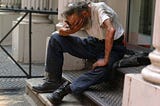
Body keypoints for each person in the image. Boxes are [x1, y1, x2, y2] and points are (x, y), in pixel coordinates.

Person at [32, 1, 126, 104]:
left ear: (85, 14)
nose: (74, 24)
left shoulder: (99, 8)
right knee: (56, 38)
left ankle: (66, 89)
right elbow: (62, 31)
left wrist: (105, 59)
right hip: (94, 43)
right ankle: (53, 81)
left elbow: (111, 30)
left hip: (114, 47)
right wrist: (71, 30)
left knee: (103, 70)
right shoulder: (74, 13)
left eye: (76, 22)